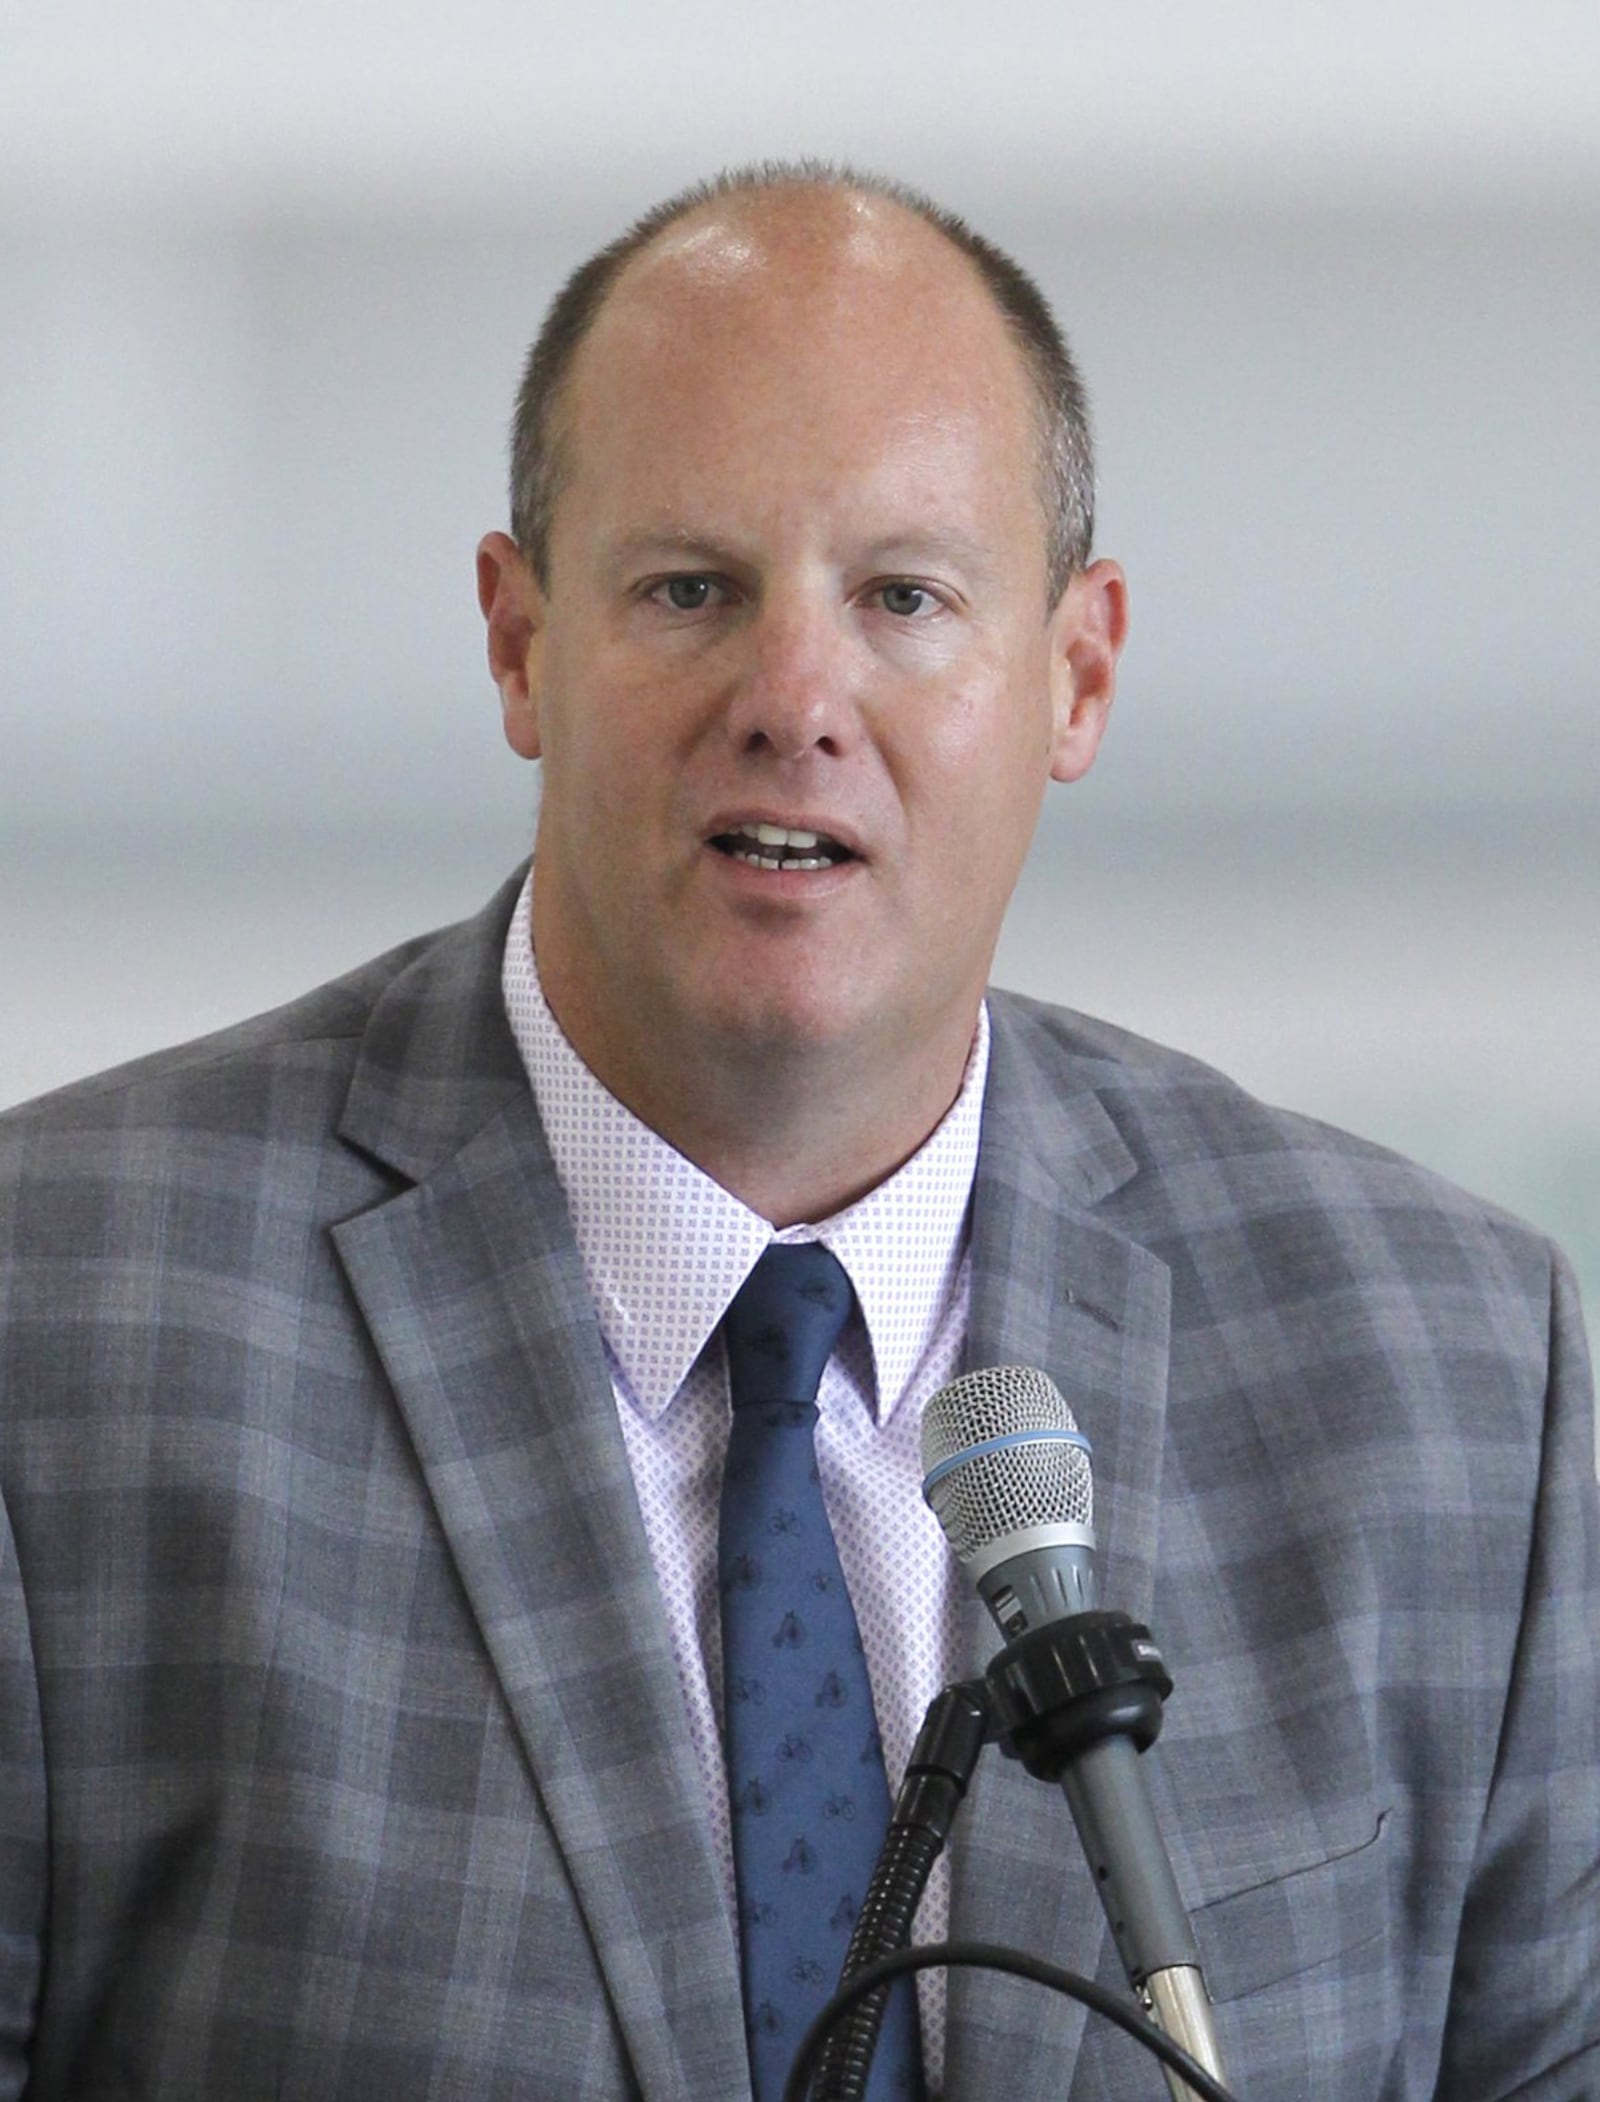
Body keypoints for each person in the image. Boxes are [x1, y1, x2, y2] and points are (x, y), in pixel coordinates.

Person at [0, 162, 1595, 2102]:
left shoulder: (1459, 1385)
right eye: (691, 589)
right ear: (515, 642)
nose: (792, 698)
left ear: (1075, 673)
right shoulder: (55, 1331)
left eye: (902, 598)